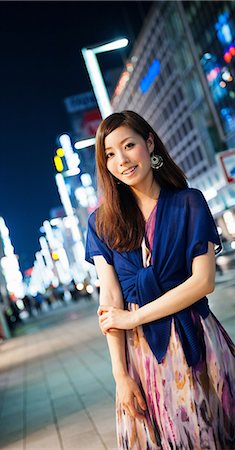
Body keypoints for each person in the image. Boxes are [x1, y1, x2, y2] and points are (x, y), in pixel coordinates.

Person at [85, 111, 235, 449]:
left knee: (209, 434)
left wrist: (135, 316)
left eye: (128, 146)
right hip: (141, 356)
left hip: (196, 339)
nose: (121, 160)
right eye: (109, 154)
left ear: (149, 143)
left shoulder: (189, 203)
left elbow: (203, 282)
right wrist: (120, 375)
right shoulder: (101, 224)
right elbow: (110, 300)